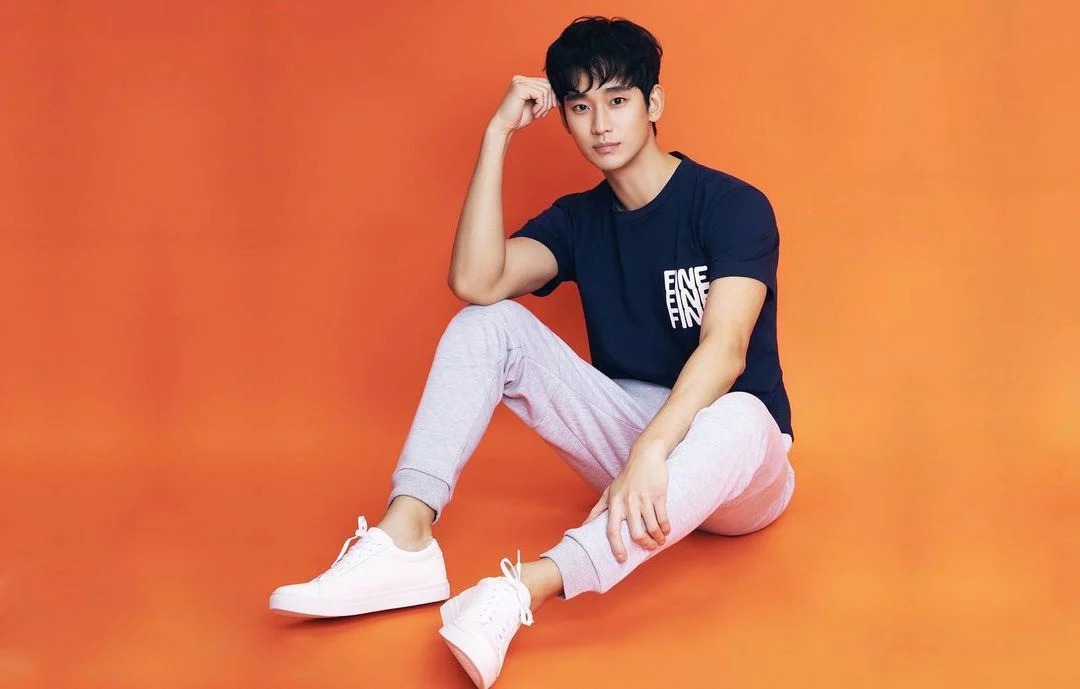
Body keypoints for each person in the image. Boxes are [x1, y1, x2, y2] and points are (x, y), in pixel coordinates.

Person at [269, 15, 796, 689]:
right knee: (487, 322)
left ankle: (521, 589)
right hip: (638, 450)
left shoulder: (730, 205)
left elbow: (725, 350)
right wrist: (497, 135)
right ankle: (406, 537)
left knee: (742, 413)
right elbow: (476, 281)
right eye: (580, 107)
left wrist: (650, 450)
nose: (600, 124)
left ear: (654, 104)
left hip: (740, 471)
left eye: (617, 100)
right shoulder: (578, 221)